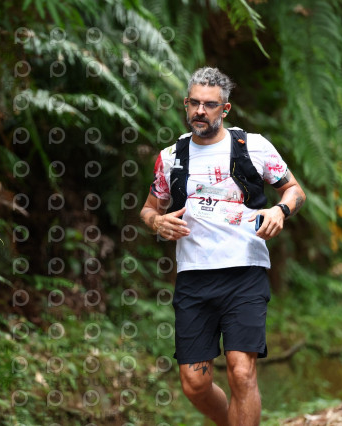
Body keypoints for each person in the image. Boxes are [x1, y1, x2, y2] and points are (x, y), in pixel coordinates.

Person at [140, 67, 306, 426]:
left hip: (245, 273)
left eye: (210, 105)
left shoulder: (253, 147)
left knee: (241, 373)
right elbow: (150, 208)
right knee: (194, 384)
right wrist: (157, 222)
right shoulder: (171, 157)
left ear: (225, 109)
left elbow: (294, 190)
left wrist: (279, 211)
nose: (200, 111)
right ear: (186, 104)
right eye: (194, 103)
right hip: (194, 277)